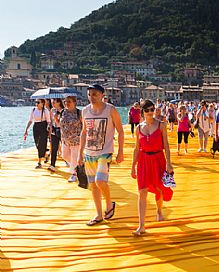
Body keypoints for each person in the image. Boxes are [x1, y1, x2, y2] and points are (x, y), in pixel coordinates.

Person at [78, 84, 124, 226]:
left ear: (102, 95)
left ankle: (109, 204)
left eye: (95, 94)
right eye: (89, 94)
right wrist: (80, 154)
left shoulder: (111, 110)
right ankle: (98, 214)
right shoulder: (85, 111)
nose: (91, 97)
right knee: (93, 184)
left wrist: (120, 151)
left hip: (105, 152)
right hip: (89, 153)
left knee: (100, 181)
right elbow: (84, 132)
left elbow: (120, 131)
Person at [131, 100, 174, 236]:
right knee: (142, 191)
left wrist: (169, 163)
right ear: (143, 112)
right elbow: (137, 148)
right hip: (143, 161)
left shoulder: (161, 125)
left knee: (159, 189)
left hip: (158, 159)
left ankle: (159, 211)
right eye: (147, 110)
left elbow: (166, 145)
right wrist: (133, 166)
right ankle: (141, 226)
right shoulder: (138, 128)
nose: (151, 112)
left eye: (152, 109)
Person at [60, 96, 83, 182]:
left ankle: (74, 174)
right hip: (65, 140)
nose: (66, 103)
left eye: (69, 101)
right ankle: (78, 165)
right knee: (64, 156)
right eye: (65, 101)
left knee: (74, 157)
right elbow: (61, 124)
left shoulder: (79, 113)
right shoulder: (62, 112)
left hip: (76, 139)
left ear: (74, 102)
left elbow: (84, 125)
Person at [24, 99, 51, 169]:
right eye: (36, 102)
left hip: (43, 127)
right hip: (36, 127)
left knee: (41, 144)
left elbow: (49, 121)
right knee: (37, 144)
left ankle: (39, 163)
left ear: (42, 103)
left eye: (38, 102)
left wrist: (49, 129)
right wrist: (26, 129)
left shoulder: (45, 111)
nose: (36, 103)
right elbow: (30, 120)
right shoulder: (33, 110)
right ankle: (45, 155)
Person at [48, 98, 64, 172]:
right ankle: (52, 165)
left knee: (65, 148)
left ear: (59, 102)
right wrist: (50, 127)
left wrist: (55, 118)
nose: (53, 104)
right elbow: (51, 121)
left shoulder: (63, 111)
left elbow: (60, 124)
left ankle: (70, 162)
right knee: (54, 148)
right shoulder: (52, 110)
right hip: (54, 130)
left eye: (54, 102)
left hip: (61, 130)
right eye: (52, 102)